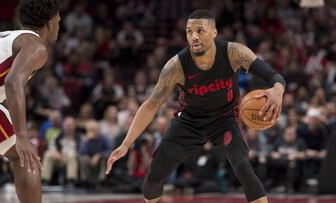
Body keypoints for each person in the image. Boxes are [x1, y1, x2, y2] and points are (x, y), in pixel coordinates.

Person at [106, 10, 286, 203]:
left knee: (242, 166)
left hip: (225, 119)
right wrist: (126, 144)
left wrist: (277, 90)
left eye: (200, 30)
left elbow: (273, 75)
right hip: (189, 122)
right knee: (154, 176)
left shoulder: (234, 52)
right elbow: (151, 105)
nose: (194, 36)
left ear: (214, 32)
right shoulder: (175, 66)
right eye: (189, 31)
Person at [0, 0, 61, 202]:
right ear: (50, 23)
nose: (59, 27)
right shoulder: (36, 46)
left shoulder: (2, 37)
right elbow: (13, 83)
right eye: (59, 21)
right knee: (24, 156)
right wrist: (22, 137)